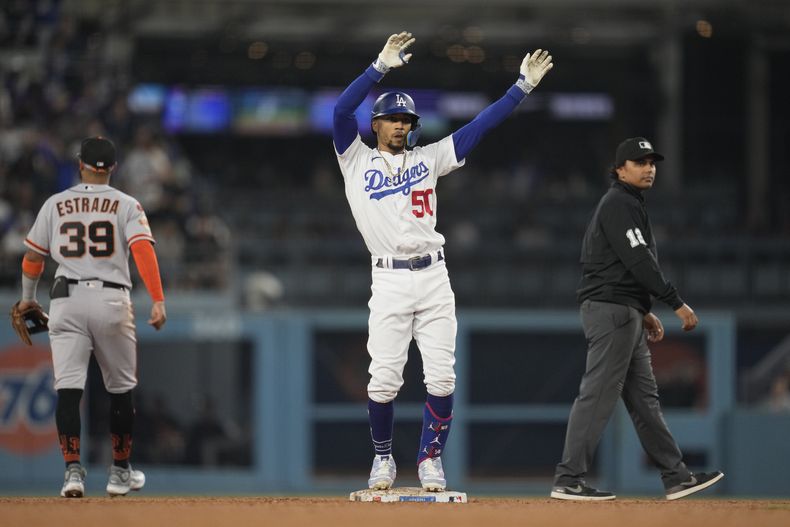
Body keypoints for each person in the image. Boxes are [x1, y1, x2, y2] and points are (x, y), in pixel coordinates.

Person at [333, 32, 553, 492]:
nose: (399, 125)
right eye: (391, 118)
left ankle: (430, 460)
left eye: (406, 119)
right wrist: (379, 66)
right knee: (383, 380)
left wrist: (521, 88)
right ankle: (382, 461)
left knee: (442, 374)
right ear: (374, 124)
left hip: (433, 275)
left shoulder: (429, 157)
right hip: (389, 277)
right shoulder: (354, 159)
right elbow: (339, 110)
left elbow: (480, 127)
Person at [550, 137, 724, 501]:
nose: (648, 168)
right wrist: (674, 303)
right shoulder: (618, 203)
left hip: (624, 309)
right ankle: (568, 478)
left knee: (645, 400)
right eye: (639, 161)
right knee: (598, 394)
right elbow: (638, 260)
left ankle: (675, 475)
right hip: (611, 311)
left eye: (652, 162)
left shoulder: (628, 203)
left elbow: (618, 264)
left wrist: (644, 311)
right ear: (619, 169)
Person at [18, 136, 167, 498]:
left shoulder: (56, 204)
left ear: (79, 162)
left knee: (68, 390)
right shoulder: (126, 204)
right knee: (120, 390)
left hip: (65, 300)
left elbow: (33, 259)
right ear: (113, 167)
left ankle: (72, 471)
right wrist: (158, 300)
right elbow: (142, 249)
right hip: (112, 298)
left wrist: (26, 300)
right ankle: (119, 471)